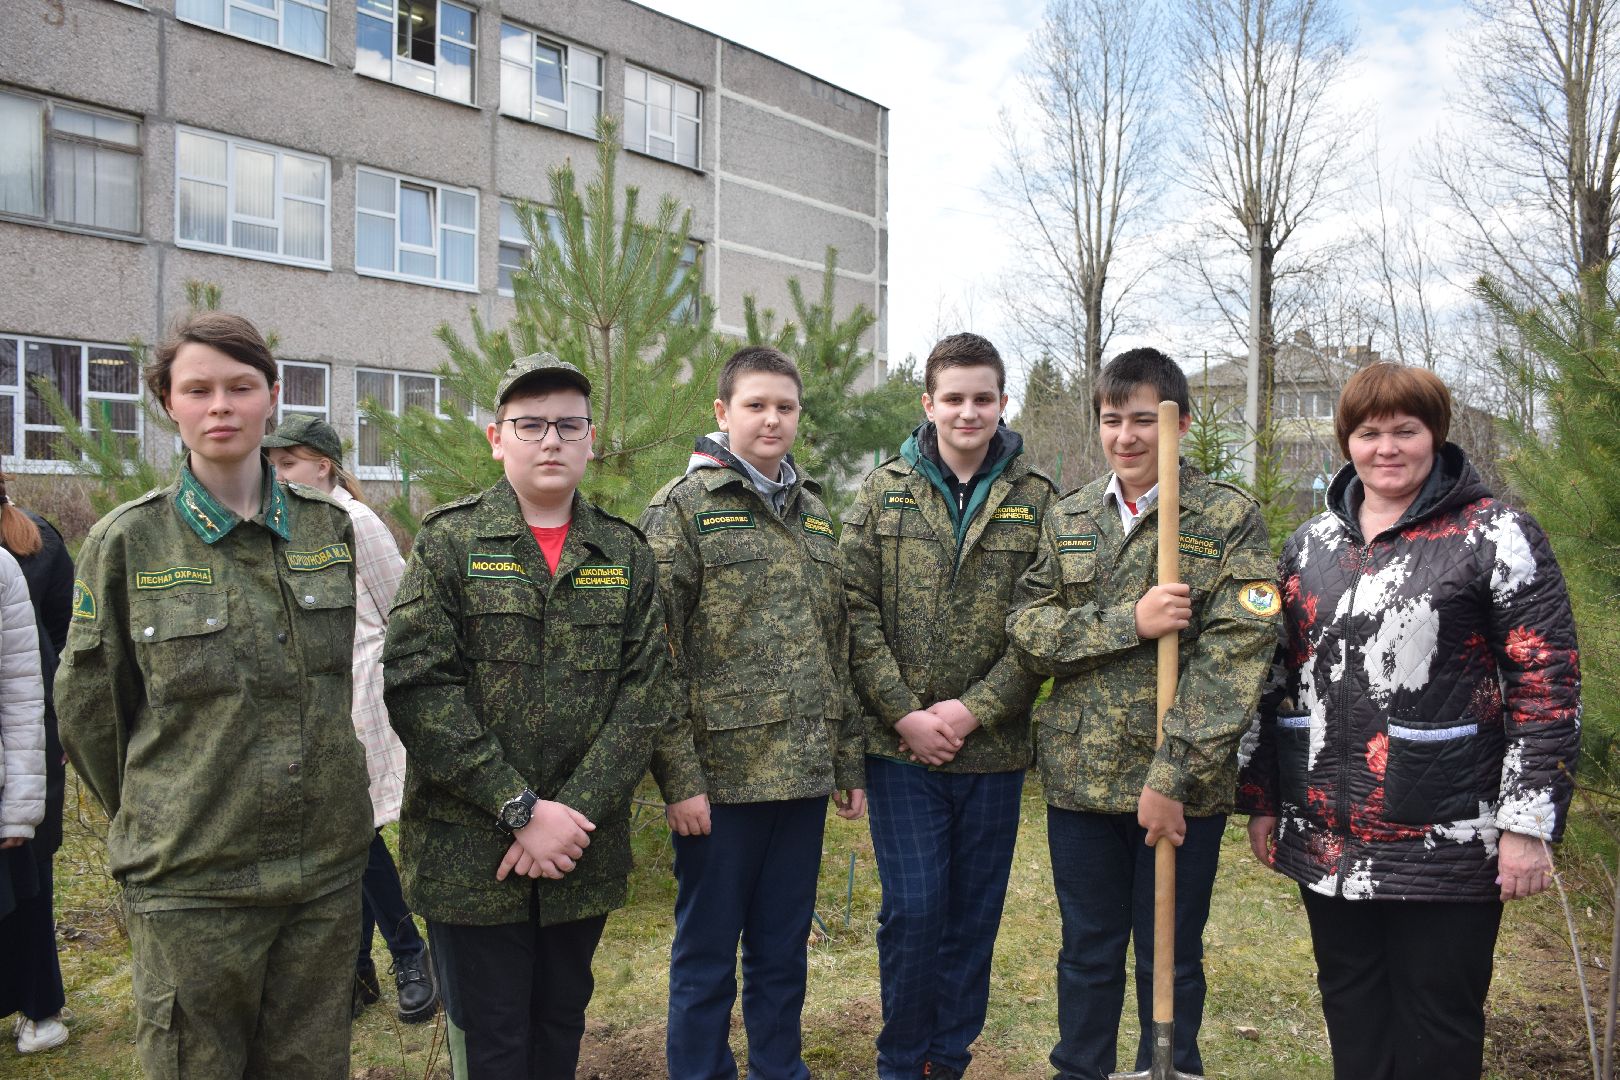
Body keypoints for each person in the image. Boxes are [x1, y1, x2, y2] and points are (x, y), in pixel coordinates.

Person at [1236, 362, 1580, 1080]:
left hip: (1447, 840)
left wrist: (1527, 824)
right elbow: (1277, 683)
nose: (1386, 447)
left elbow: (1545, 684)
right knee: (1352, 1012)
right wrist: (1263, 801)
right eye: (1368, 433)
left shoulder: (1496, 535)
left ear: (1436, 436)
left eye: (1405, 430)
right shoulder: (1309, 547)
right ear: (1347, 442)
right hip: (1328, 840)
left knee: (1438, 1025)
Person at [55, 312, 374, 1080]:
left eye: (240, 387)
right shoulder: (128, 542)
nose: (220, 406)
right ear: (171, 403)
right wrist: (167, 808)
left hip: (321, 876)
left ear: (271, 397)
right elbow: (92, 711)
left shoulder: (328, 530)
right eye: (198, 389)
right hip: (193, 884)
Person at [382, 351, 669, 1080]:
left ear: (591, 439)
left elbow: (644, 697)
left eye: (567, 426)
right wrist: (518, 808)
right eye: (531, 424)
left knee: (558, 1028)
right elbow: (420, 688)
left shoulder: (625, 553)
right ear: (495, 436)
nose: (550, 441)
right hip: (472, 853)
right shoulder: (449, 543)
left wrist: (566, 816)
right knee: (492, 1043)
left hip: (580, 846)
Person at [1006, 348, 1279, 1080]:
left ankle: (1170, 1068)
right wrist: (1131, 620)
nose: (1125, 436)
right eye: (1110, 420)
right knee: (1087, 950)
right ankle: (1082, 1070)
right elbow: (1029, 630)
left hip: (1182, 783)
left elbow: (1237, 660)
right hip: (1082, 780)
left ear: (1180, 423)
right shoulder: (1067, 517)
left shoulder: (1225, 518)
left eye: (1142, 420)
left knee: (1171, 952)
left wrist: (1172, 775)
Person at [642, 345, 865, 1080]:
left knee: (781, 952)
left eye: (785, 407)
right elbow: (654, 658)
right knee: (706, 956)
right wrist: (678, 779)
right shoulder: (682, 512)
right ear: (722, 413)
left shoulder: (816, 519)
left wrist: (845, 760)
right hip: (720, 787)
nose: (772, 419)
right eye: (756, 405)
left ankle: (780, 1069)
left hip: (799, 780)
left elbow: (838, 646)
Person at [839, 332, 1055, 1080]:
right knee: (916, 910)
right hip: (901, 748)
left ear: (1002, 403)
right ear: (928, 403)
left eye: (984, 398)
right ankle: (902, 1061)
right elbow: (854, 609)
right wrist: (904, 713)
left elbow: (1042, 621)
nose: (969, 411)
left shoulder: (1038, 501)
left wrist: (975, 709)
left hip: (991, 748)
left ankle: (947, 1059)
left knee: (972, 918)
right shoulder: (881, 490)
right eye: (954, 397)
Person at [262, 415, 437, 1024]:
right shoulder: (284, 526)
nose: (277, 474)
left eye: (288, 463)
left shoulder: (356, 523)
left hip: (365, 701)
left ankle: (412, 956)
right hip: (315, 707)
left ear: (323, 466)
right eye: (273, 465)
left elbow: (402, 614)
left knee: (357, 833)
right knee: (345, 835)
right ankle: (358, 970)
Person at [0, 474, 73, 1053]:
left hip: (30, 728)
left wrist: (65, 723)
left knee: (29, 874)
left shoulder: (36, 542)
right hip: (29, 725)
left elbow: (64, 636)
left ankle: (39, 1004)